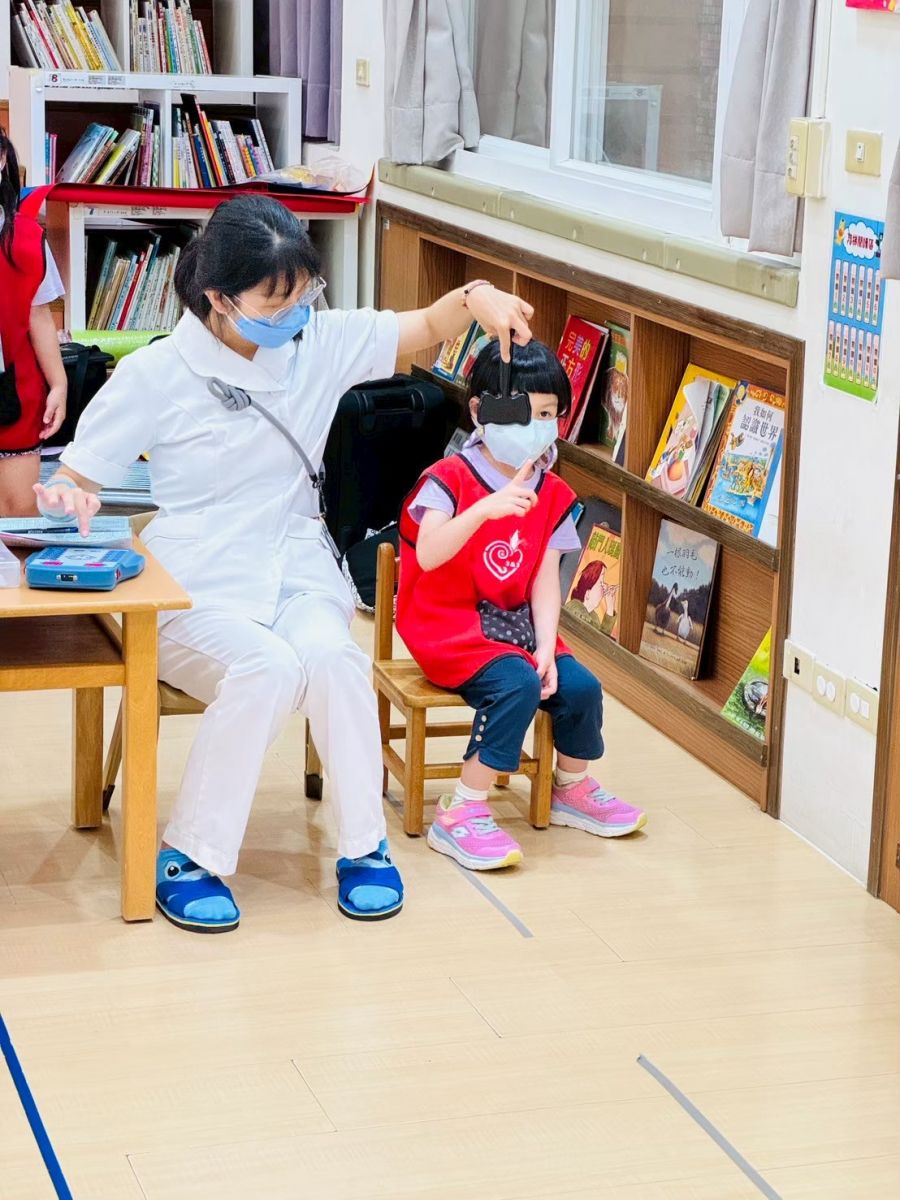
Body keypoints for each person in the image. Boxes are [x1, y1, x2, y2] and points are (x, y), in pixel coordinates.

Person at [33, 193, 534, 932]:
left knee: (335, 661)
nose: (296, 313)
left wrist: (476, 297)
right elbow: (79, 476)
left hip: (295, 562)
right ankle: (191, 854)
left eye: (304, 294)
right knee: (264, 668)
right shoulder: (158, 373)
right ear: (219, 298)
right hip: (194, 581)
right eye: (277, 302)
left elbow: (426, 326)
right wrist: (68, 497)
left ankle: (363, 847)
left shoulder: (315, 341)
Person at [397, 339, 646, 871]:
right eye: (522, 412)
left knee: (581, 687)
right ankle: (462, 808)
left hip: (518, 626)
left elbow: (545, 580)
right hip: (449, 624)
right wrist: (484, 509)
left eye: (548, 414)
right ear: (480, 411)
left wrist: (549, 648)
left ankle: (570, 788)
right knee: (517, 685)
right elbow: (431, 554)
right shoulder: (449, 478)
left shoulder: (551, 491)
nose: (536, 425)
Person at [0, 130, 67, 514]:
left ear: (1, 161)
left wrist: (58, 383)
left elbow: (39, 316)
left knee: (17, 515)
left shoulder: (27, 236)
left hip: (15, 391)